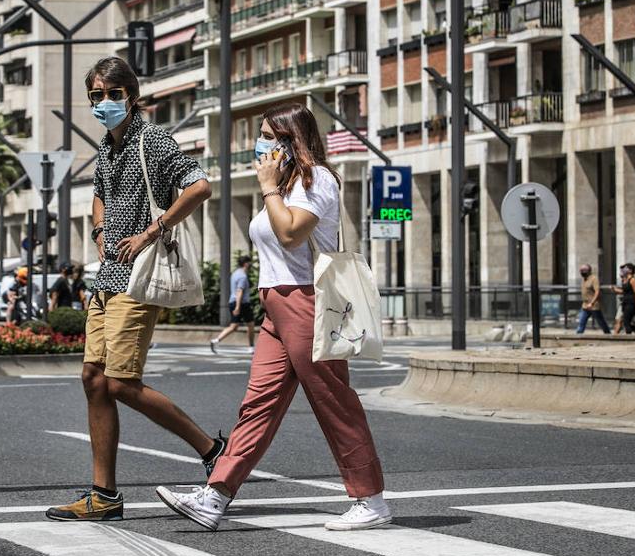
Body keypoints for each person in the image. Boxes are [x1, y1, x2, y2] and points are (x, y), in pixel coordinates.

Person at [155, 102, 390, 532]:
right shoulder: (285, 185)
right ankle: (216, 495)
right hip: (275, 306)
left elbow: (291, 233)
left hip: (306, 302)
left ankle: (369, 498)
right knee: (257, 404)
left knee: (333, 401)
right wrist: (272, 186)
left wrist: (267, 187)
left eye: (268, 135)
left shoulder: (315, 179)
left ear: (290, 140)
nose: (260, 144)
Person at [46, 57, 221, 523]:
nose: (103, 103)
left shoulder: (154, 140)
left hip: (140, 276)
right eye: (96, 96)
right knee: (93, 379)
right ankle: (103, 496)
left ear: (131, 95)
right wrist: (101, 228)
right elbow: (101, 191)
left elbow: (199, 186)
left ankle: (212, 449)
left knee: (121, 381)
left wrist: (151, 230)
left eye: (111, 94)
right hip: (107, 277)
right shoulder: (107, 145)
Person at [209, 255, 255, 353]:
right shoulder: (242, 276)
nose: (251, 264)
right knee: (250, 324)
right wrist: (238, 306)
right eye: (249, 262)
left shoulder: (235, 274)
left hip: (232, 301)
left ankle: (216, 340)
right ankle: (251, 347)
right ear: (246, 264)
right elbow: (239, 291)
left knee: (234, 326)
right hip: (242, 303)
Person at [575, 264, 609, 335]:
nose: (582, 272)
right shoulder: (584, 279)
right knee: (581, 322)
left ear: (589, 271)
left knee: (600, 321)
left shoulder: (594, 278)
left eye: (584, 270)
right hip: (585, 305)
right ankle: (578, 335)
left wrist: (592, 303)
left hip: (593, 305)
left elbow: (597, 291)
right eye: (581, 270)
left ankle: (608, 334)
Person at [611, 262, 635, 334]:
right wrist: (615, 290)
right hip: (625, 302)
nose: (623, 270)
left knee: (626, 321)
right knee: (625, 320)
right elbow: (624, 291)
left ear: (630, 270)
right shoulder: (624, 280)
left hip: (631, 302)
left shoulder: (632, 279)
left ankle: (631, 333)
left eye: (626, 268)